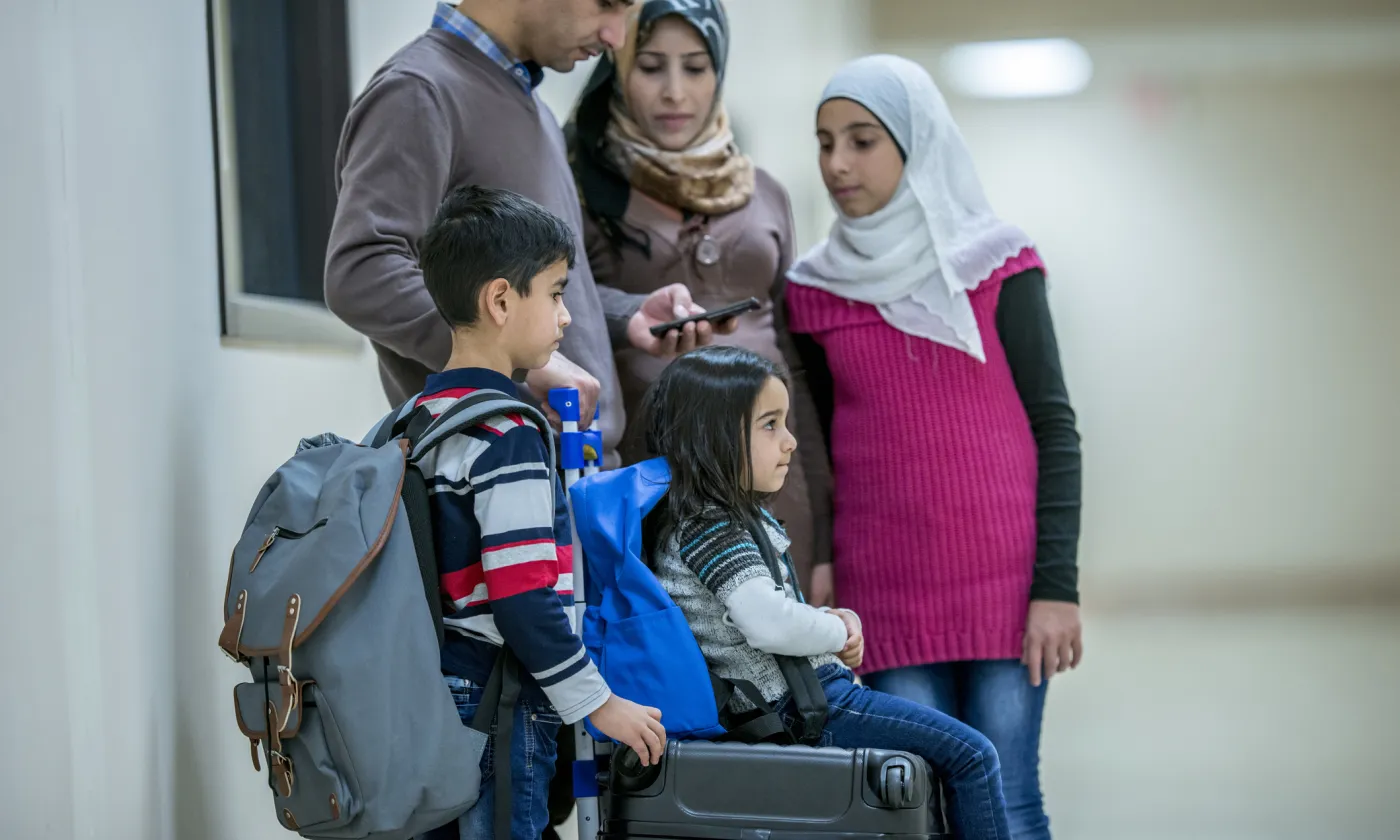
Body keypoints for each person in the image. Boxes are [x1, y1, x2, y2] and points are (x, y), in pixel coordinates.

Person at [782, 55, 1085, 840]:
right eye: (824, 143)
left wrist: (1057, 588)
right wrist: (819, 571)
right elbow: (812, 450)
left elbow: (1055, 427)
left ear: (916, 143)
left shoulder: (999, 264)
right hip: (884, 592)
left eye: (862, 140)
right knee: (918, 810)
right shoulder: (813, 290)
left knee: (1010, 801)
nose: (837, 164)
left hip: (1004, 589)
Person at [325, 0, 730, 468]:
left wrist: (627, 315)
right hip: (493, 488)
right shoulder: (418, 92)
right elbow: (362, 272)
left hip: (570, 471)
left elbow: (531, 288)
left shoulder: (533, 108)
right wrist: (520, 363)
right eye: (606, 5)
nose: (616, 38)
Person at [637, 345, 1013, 840]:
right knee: (971, 756)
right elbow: (766, 622)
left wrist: (825, 621)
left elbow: (759, 613)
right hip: (805, 706)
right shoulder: (713, 528)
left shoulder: (708, 520)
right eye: (770, 425)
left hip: (803, 698)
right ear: (714, 437)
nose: (790, 441)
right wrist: (834, 630)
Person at [412, 185, 666, 839]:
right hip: (500, 696)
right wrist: (599, 704)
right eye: (554, 294)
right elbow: (524, 598)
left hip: (436, 684)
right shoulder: (510, 435)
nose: (566, 318)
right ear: (501, 300)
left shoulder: (420, 420)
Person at [567, 0, 832, 590]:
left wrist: (823, 540)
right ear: (618, 68)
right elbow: (564, 308)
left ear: (719, 73)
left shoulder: (765, 193)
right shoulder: (581, 183)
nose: (674, 91)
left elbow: (795, 368)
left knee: (782, 668)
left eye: (694, 67)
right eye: (651, 66)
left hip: (776, 490)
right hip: (650, 483)